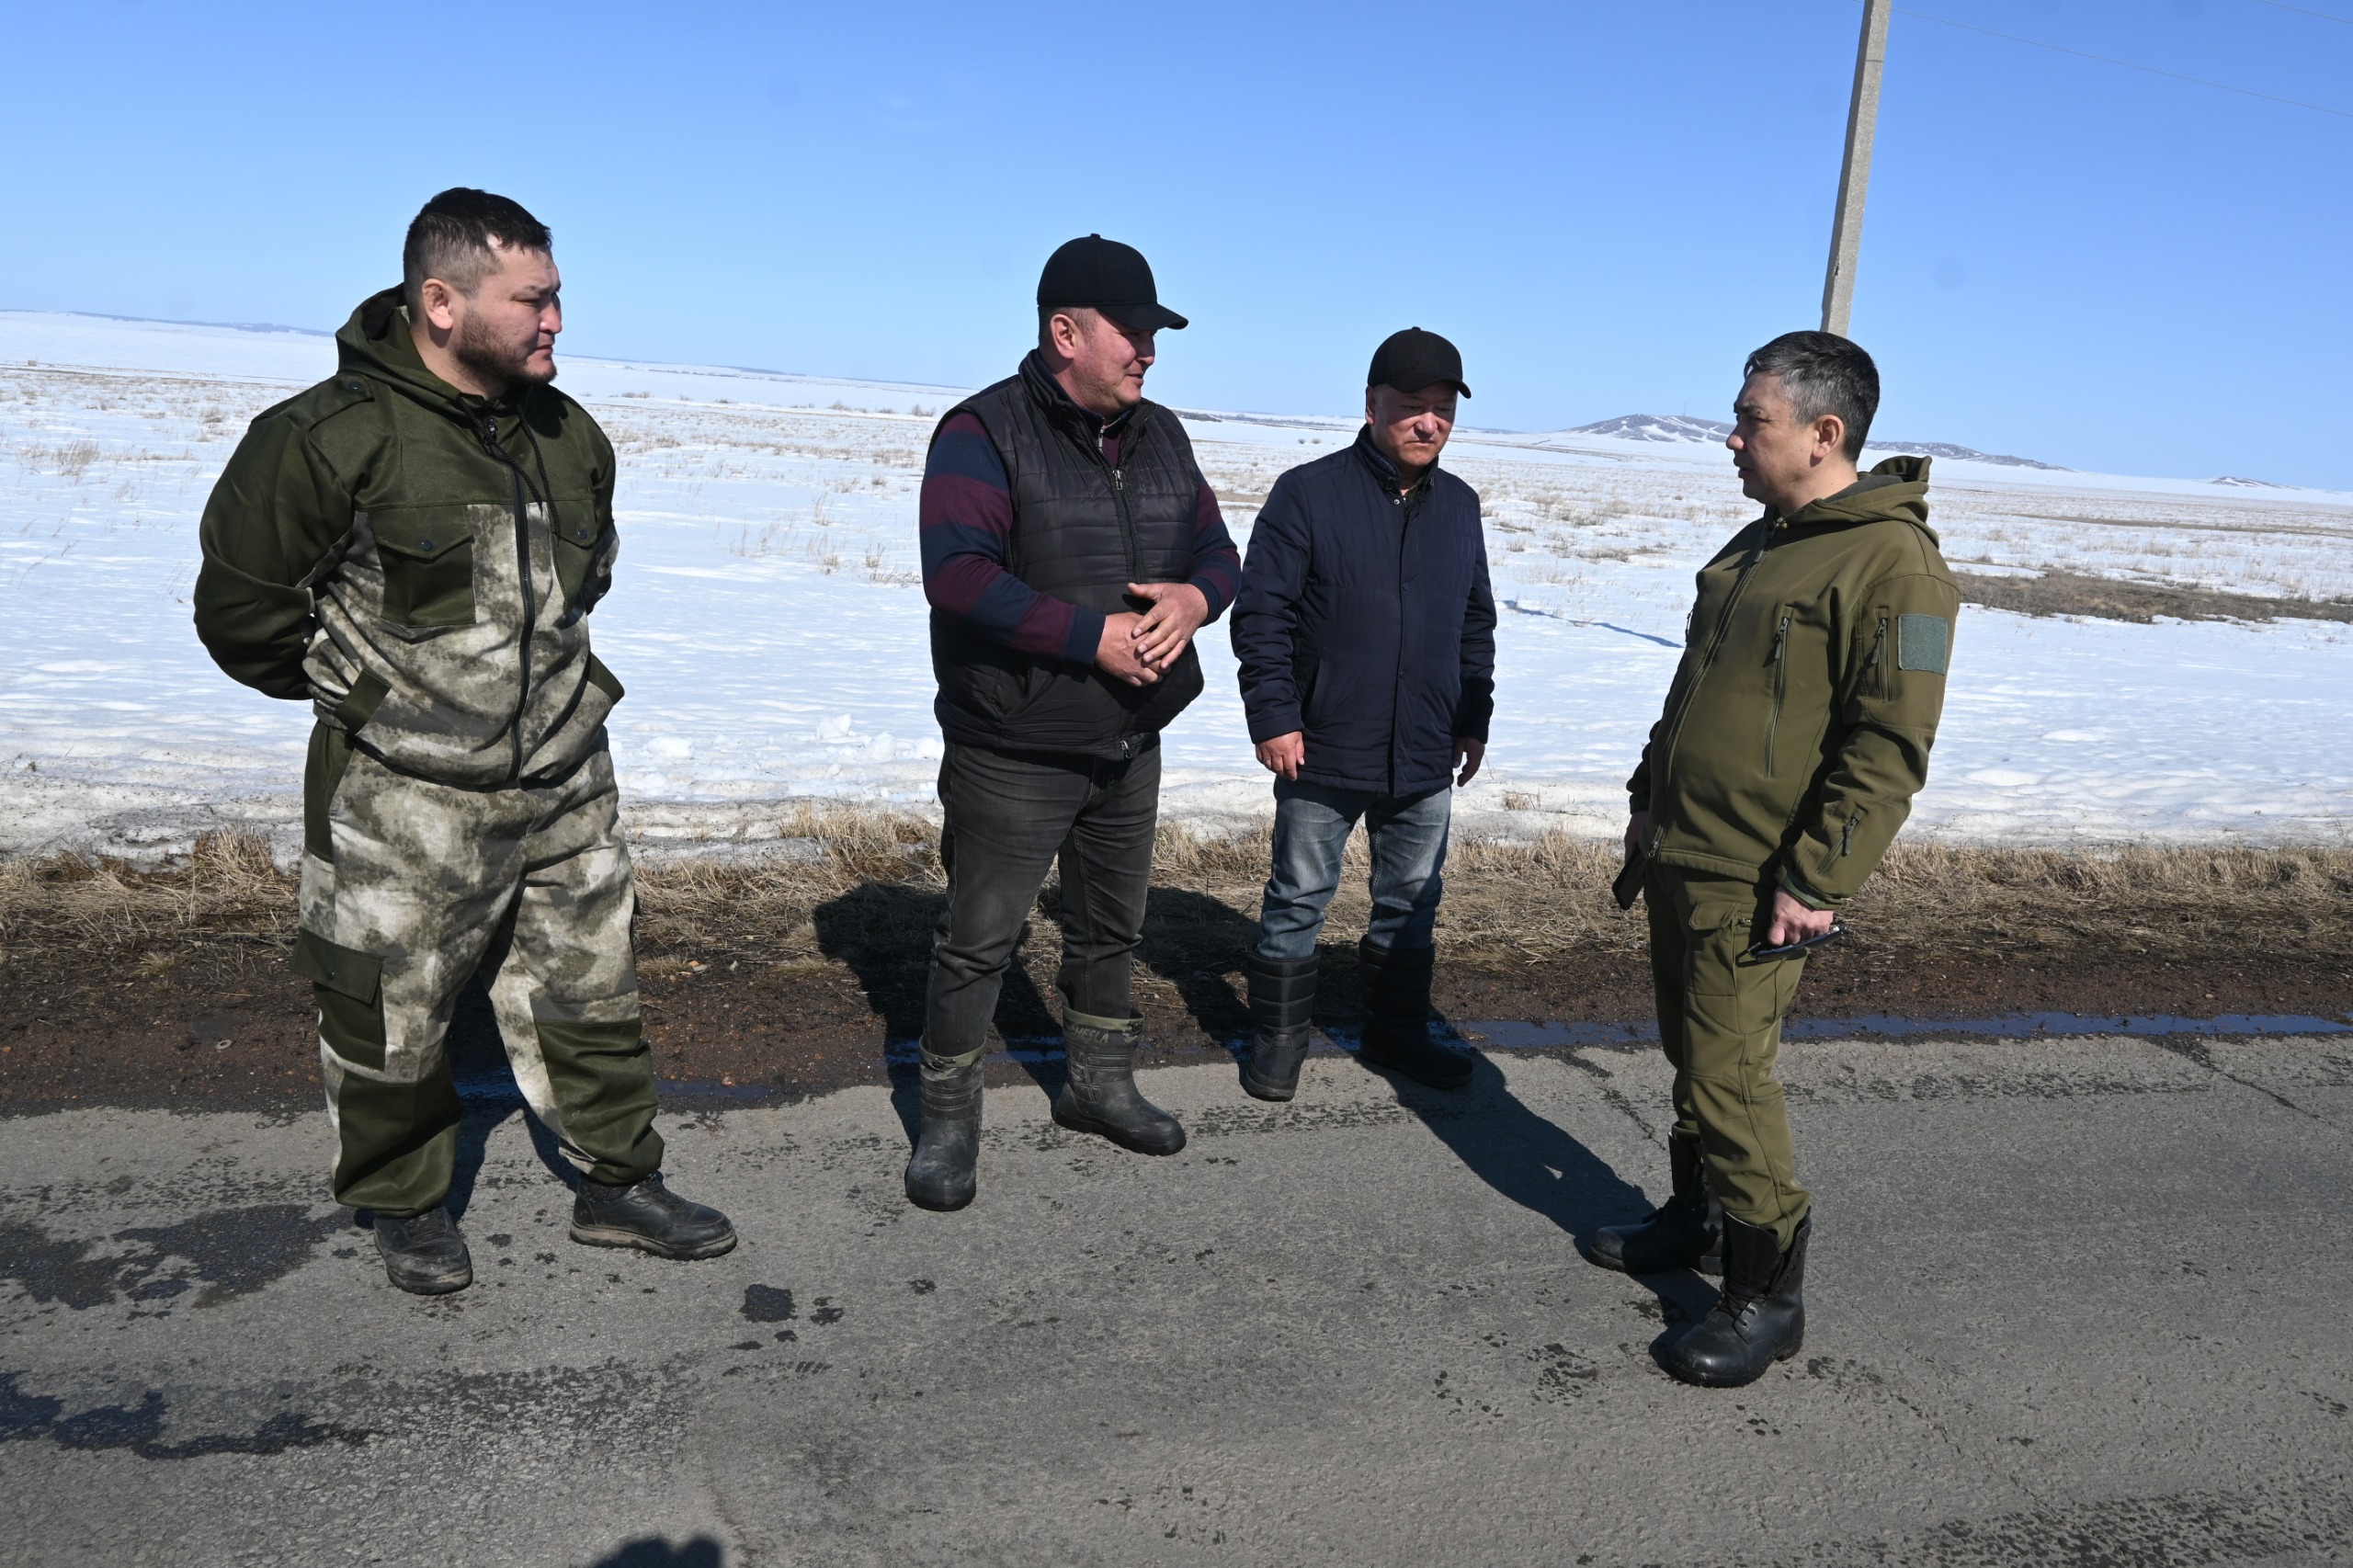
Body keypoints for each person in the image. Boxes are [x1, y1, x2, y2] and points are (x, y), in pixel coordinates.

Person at [192, 188, 735, 1295]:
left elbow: (584, 579)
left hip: (566, 775)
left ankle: (616, 1182)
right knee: (388, 1005)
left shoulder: (565, 432)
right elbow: (241, 615)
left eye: (557, 297)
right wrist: (371, 701)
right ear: (440, 303)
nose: (555, 322)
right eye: (531, 299)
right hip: (405, 792)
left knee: (591, 987)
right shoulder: (322, 439)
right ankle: (402, 1200)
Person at [1597, 331, 1957, 1387]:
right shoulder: (1766, 539)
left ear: (1823, 432)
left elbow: (1888, 749)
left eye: (1752, 419)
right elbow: (1695, 689)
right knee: (1691, 1054)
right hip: (1685, 849)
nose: (1733, 436)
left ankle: (1766, 1291)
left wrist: (1818, 878)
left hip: (1761, 876)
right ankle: (1695, 1217)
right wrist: (1642, 796)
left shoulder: (1897, 568)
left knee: (1730, 1073)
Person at [905, 235, 1241, 1210]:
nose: (1147, 351)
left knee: (1109, 924)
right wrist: (1087, 637)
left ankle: (1098, 1082)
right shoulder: (981, 432)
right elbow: (958, 574)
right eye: (1131, 332)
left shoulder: (1162, 433)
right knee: (979, 938)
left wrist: (1194, 598)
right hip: (1012, 742)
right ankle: (948, 1118)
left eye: (1151, 333)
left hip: (1131, 735)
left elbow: (1221, 550)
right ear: (1064, 331)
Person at [1228, 328, 1496, 1101]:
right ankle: (1276, 1040)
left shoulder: (1460, 506)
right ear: (1372, 404)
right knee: (1298, 896)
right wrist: (1274, 716)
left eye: (1442, 411)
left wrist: (1472, 717)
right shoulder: (1308, 493)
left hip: (1423, 748)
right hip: (1322, 745)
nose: (1429, 424)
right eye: (1412, 407)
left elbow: (1474, 621)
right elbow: (1262, 615)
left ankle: (1397, 1032)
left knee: (1413, 900)